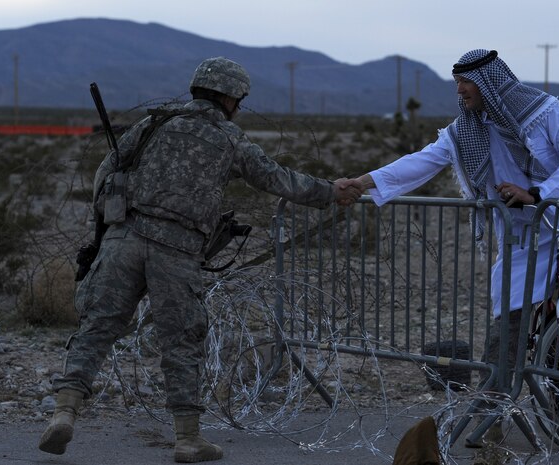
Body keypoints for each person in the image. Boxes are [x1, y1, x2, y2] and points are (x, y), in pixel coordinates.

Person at [38, 57, 362, 462]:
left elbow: (108, 171)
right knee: (181, 342)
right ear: (229, 98)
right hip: (176, 250)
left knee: (96, 329)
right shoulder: (229, 138)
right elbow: (276, 178)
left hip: (124, 239)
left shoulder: (154, 123)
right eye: (239, 100)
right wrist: (331, 192)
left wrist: (109, 224)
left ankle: (64, 413)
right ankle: (188, 439)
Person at [352, 49, 559, 446]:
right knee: (505, 330)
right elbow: (420, 162)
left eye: (466, 82)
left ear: (488, 81)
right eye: (457, 84)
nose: (460, 91)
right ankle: (493, 415)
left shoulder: (544, 111)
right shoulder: (464, 131)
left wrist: (536, 193)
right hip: (522, 240)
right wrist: (363, 182)